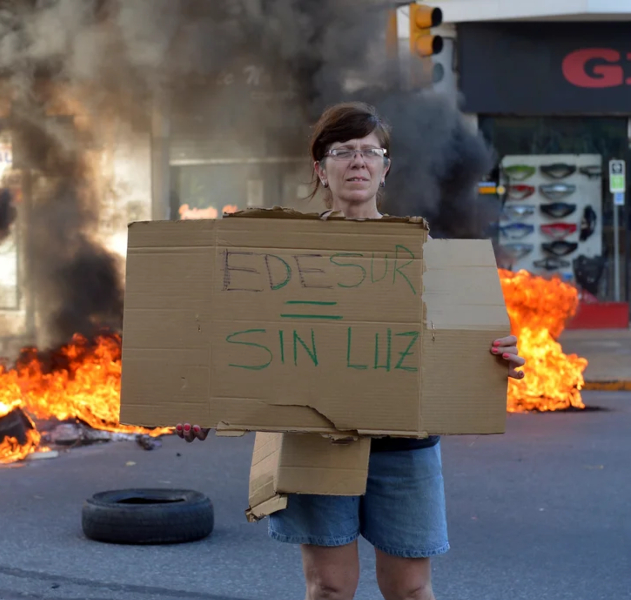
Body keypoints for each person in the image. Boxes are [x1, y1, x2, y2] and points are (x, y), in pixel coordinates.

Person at [175, 101, 526, 600]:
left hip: (405, 447)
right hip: (316, 437)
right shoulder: (286, 254)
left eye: (370, 151)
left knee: (410, 589)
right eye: (343, 151)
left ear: (386, 168)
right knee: (330, 587)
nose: (358, 161)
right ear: (320, 168)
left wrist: (494, 360)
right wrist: (203, 404)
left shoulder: (426, 252)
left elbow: (461, 346)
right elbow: (246, 341)